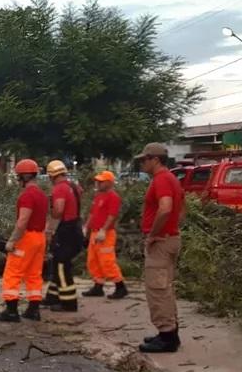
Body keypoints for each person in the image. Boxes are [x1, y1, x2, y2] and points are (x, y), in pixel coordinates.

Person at [136, 143, 185, 353]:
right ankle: (170, 332)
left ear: (155, 159)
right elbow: (181, 208)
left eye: (144, 160)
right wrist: (173, 228)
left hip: (161, 242)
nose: (142, 163)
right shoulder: (172, 179)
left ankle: (167, 337)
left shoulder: (162, 179)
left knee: (157, 289)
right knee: (165, 287)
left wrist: (155, 234)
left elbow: (165, 208)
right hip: (170, 238)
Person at [0, 159, 48, 323]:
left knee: (12, 273)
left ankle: (11, 312)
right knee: (34, 274)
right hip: (40, 238)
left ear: (24, 177)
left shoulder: (27, 196)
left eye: (18, 177)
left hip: (27, 238)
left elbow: (23, 221)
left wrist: (12, 240)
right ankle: (33, 310)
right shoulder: (42, 195)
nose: (17, 180)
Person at [42, 160, 84, 312]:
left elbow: (59, 210)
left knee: (61, 267)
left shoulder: (59, 189)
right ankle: (52, 297)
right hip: (76, 229)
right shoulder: (73, 186)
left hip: (66, 231)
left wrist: (49, 230)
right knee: (57, 263)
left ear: (51, 175)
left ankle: (69, 303)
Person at [83, 170, 128, 299]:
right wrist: (86, 227)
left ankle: (120, 287)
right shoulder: (99, 196)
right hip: (95, 232)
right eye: (98, 181)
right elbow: (92, 213)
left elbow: (112, 215)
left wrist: (104, 230)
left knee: (107, 261)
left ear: (109, 183)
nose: (98, 183)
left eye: (101, 182)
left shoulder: (113, 197)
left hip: (106, 234)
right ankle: (98, 286)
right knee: (93, 260)